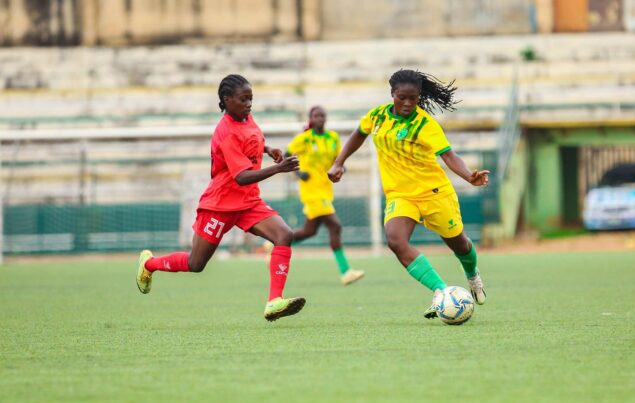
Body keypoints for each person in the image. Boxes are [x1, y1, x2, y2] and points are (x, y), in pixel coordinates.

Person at [135, 74, 305, 321]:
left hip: (248, 202)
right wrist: (279, 169)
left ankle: (274, 301)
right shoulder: (225, 132)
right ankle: (149, 264)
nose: (249, 104)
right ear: (227, 100)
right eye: (243, 99)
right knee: (196, 264)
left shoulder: (246, 117)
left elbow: (252, 140)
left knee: (284, 234)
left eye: (251, 99)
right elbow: (241, 177)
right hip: (220, 204)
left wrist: (268, 150)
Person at [328, 69, 489, 319]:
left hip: (434, 193)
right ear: (392, 93)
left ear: (419, 97)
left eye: (413, 98)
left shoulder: (425, 124)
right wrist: (339, 162)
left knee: (458, 243)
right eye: (401, 97)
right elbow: (358, 134)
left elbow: (448, 155)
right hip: (400, 196)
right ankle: (442, 292)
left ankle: (473, 275)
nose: (407, 103)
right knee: (395, 240)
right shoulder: (378, 116)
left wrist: (469, 176)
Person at [286, 106, 365, 285]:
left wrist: (341, 167)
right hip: (310, 190)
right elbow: (287, 154)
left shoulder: (333, 138)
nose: (320, 118)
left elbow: (338, 159)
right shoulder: (304, 139)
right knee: (335, 225)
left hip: (326, 189)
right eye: (316, 116)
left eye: (322, 115)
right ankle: (346, 272)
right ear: (311, 119)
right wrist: (298, 174)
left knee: (309, 231)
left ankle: (277, 243)